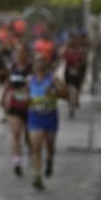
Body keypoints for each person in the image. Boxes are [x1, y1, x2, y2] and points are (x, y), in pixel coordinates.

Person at [26, 53, 69, 191]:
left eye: (41, 62)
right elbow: (25, 97)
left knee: (50, 145)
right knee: (36, 147)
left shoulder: (53, 79)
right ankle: (37, 176)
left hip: (50, 117)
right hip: (35, 117)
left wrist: (55, 93)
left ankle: (50, 160)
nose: (38, 65)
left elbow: (66, 95)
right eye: (36, 62)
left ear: (46, 65)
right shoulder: (29, 80)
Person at [3, 44, 33, 177]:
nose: (18, 56)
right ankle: (17, 163)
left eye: (21, 53)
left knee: (28, 137)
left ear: (26, 54)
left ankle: (32, 151)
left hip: (30, 106)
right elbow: (8, 84)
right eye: (16, 53)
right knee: (16, 134)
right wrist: (3, 97)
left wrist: (26, 89)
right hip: (15, 105)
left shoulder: (31, 68)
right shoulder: (13, 68)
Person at [62, 32, 87, 118]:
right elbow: (62, 57)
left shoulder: (80, 50)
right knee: (71, 90)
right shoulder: (67, 49)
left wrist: (79, 66)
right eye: (71, 39)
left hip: (78, 73)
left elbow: (84, 61)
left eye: (74, 39)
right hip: (69, 73)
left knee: (76, 90)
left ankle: (75, 100)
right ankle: (71, 107)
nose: (72, 41)